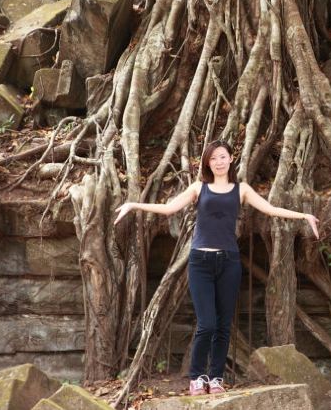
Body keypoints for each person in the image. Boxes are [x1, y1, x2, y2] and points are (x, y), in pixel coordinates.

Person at [114, 140, 319, 396]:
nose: (219, 162)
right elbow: (168, 209)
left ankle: (216, 377)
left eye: (223, 157)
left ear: (231, 159)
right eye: (213, 159)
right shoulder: (199, 188)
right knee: (207, 323)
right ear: (207, 163)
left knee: (223, 325)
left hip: (229, 262)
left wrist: (304, 216)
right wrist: (134, 205)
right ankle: (197, 377)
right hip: (200, 261)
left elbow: (271, 209)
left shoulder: (241, 189)